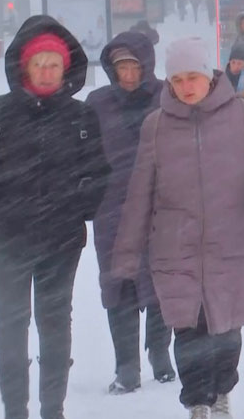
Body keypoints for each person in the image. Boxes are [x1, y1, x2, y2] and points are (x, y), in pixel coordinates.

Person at [111, 37, 244, 419]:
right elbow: (140, 194)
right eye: (177, 79)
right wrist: (126, 256)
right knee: (188, 330)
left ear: (209, 76)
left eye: (192, 76)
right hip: (176, 250)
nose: (185, 86)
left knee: (226, 330)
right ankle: (197, 402)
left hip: (234, 247)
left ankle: (221, 392)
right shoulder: (156, 127)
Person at [0, 15, 111, 419]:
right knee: (10, 322)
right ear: (24, 67)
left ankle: (53, 409)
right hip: (6, 239)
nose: (46, 72)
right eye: (38, 64)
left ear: (65, 68)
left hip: (61, 241)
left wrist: (78, 209)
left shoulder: (81, 118)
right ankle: (15, 409)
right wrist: (1, 211)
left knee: (54, 322)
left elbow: (98, 173)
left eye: (54, 64)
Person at [86, 31, 176, 395]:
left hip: (160, 206)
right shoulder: (97, 103)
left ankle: (160, 354)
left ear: (146, 66)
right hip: (113, 209)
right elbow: (83, 153)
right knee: (118, 283)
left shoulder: (166, 97)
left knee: (161, 282)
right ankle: (127, 367)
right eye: (120, 66)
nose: (127, 74)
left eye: (133, 66)